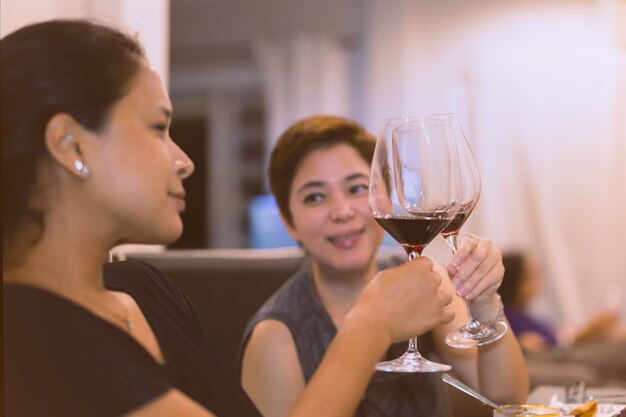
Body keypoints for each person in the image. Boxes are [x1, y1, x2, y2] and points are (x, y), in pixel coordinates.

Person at [2, 20, 456, 417]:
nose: (184, 161)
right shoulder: (27, 333)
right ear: (71, 146)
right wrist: (370, 325)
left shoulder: (144, 287)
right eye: (159, 128)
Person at [239, 115, 530, 417]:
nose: (342, 211)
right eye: (315, 197)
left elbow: (508, 399)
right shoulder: (274, 335)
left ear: (386, 198)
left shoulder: (422, 279)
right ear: (289, 223)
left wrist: (484, 301)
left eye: (356, 188)